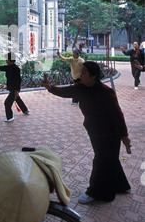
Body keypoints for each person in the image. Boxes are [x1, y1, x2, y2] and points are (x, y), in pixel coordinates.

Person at [42, 61, 131, 204]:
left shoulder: (105, 92)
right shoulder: (80, 88)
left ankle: (96, 192)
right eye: (80, 72)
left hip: (111, 133)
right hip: (94, 131)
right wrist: (50, 87)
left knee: (101, 160)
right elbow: (65, 91)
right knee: (109, 158)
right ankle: (122, 186)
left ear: (93, 76)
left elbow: (117, 115)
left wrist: (124, 136)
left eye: (83, 72)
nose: (80, 75)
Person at [0, 53, 29, 122]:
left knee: (7, 103)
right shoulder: (8, 67)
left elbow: (18, 80)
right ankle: (25, 110)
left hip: (14, 88)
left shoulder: (16, 69)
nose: (6, 60)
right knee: (17, 98)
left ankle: (10, 117)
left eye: (7, 59)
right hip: (11, 88)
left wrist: (17, 90)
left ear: (10, 60)